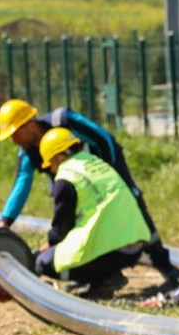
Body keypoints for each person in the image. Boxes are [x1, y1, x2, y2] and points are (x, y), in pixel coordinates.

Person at [0, 98, 179, 285]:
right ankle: (94, 271)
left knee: (132, 201)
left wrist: (110, 178)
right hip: (74, 181)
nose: (14, 141)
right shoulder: (28, 152)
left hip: (105, 169)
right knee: (72, 216)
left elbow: (104, 140)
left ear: (31, 126)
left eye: (16, 134)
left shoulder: (64, 121)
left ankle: (163, 264)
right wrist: (6, 222)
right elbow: (22, 182)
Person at [33, 127, 152, 296]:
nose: (51, 170)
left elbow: (61, 228)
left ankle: (102, 280)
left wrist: (42, 249)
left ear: (59, 156)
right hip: (134, 244)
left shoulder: (66, 176)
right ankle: (107, 277)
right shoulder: (95, 162)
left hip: (111, 247)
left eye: (51, 163)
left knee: (43, 263)